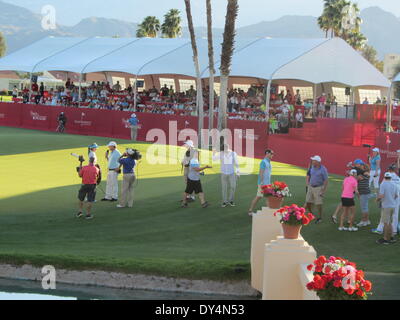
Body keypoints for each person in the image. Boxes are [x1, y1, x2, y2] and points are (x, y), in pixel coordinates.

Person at [372, 165, 400, 235]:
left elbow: (382, 191)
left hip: (388, 199)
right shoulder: (398, 178)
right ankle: (394, 230)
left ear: (389, 170)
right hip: (397, 198)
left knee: (384, 215)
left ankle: (380, 229)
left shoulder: (386, 178)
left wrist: (378, 199)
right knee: (395, 214)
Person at [248, 149, 274, 216]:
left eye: (272, 154)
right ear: (267, 153)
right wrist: (262, 183)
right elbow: (261, 172)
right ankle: (250, 211)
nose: (272, 155)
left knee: (268, 197)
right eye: (271, 153)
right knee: (259, 197)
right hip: (263, 184)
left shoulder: (268, 162)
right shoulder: (263, 162)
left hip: (267, 184)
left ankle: (269, 211)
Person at [376, 172, 399, 245]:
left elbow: (381, 195)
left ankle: (385, 239)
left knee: (386, 223)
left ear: (384, 177)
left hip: (386, 206)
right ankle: (392, 237)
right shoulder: (394, 184)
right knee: (390, 222)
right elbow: (396, 196)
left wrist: (377, 199)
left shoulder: (383, 184)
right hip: (393, 206)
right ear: (390, 177)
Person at [305, 155, 329, 224]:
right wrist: (308, 184)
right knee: (308, 201)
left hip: (319, 188)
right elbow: (309, 175)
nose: (312, 161)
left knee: (318, 203)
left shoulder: (323, 169)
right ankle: (311, 214)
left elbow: (326, 180)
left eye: (313, 160)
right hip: (311, 187)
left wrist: (323, 191)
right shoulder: (312, 167)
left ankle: (320, 217)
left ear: (318, 162)